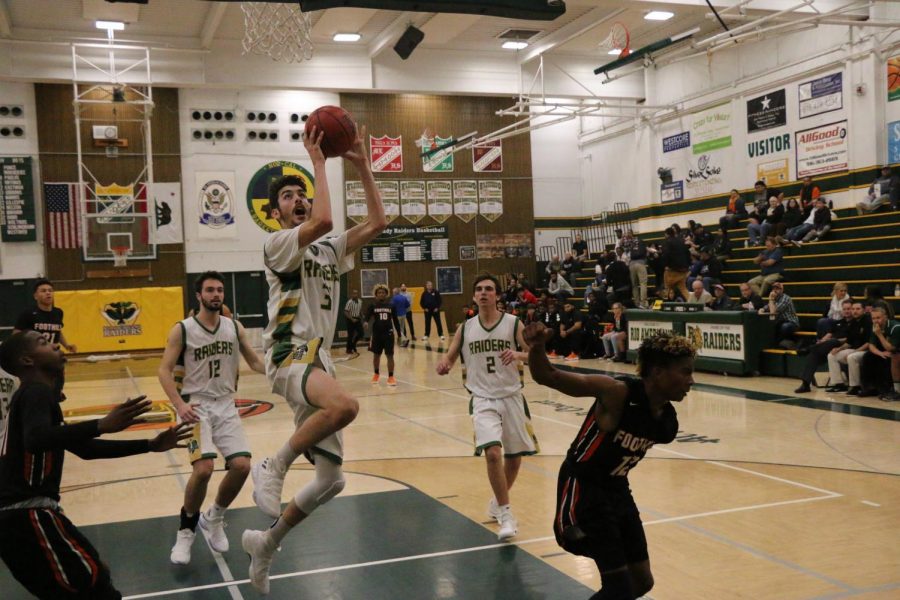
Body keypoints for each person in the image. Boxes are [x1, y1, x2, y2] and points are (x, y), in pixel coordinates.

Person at [242, 125, 387, 595]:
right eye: (288, 196)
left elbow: (378, 223)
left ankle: (267, 542)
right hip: (289, 351)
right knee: (345, 406)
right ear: (273, 212)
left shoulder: (328, 249)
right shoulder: (278, 244)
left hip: (317, 358)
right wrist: (320, 161)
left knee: (331, 480)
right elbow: (322, 222)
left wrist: (363, 164)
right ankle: (274, 464)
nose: (298, 200)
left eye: (302, 194)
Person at [0, 331, 189, 599]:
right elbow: (35, 439)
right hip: (27, 517)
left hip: (22, 521)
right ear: (27, 360)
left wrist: (149, 444)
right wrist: (101, 425)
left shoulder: (35, 398)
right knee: (94, 581)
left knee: (91, 579)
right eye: (43, 343)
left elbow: (86, 449)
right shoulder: (35, 392)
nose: (55, 344)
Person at [523, 323, 695, 600]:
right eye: (685, 371)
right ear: (658, 372)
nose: (691, 380)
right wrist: (537, 346)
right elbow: (547, 375)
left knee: (641, 581)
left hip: (617, 491)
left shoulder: (666, 419)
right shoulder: (616, 392)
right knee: (619, 587)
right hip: (583, 490)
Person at [159, 271, 266, 565]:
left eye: (219, 290)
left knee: (242, 465)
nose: (216, 294)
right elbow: (164, 371)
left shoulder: (234, 327)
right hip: (196, 405)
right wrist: (179, 404)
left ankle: (215, 516)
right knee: (204, 469)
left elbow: (255, 361)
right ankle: (186, 531)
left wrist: (280, 368)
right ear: (199, 295)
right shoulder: (182, 329)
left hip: (225, 404)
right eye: (210, 290)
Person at [435, 274, 538, 541]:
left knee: (514, 458)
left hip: (512, 395)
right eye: (479, 289)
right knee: (493, 453)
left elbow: (536, 356)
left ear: (497, 295)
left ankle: (496, 501)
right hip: (482, 398)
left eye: (489, 289)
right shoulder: (465, 327)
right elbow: (450, 355)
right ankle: (506, 513)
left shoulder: (513, 323)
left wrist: (518, 354)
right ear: (473, 296)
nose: (483, 293)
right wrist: (445, 364)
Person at [795, 300, 852, 393]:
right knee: (814, 355)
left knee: (832, 341)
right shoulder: (839, 322)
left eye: (849, 309)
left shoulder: (854, 323)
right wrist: (822, 341)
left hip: (844, 345)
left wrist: (834, 341)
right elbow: (830, 333)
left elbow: (850, 339)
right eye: (844, 309)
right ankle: (805, 384)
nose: (847, 311)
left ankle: (809, 349)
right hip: (829, 346)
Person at [14, 279, 76, 353]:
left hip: (53, 354)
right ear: (35, 296)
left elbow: (57, 331)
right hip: (35, 355)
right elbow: (16, 335)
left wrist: (66, 345)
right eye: (43, 291)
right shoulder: (28, 313)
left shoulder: (58, 312)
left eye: (50, 290)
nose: (48, 293)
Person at [825, 301, 872, 393]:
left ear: (864, 310)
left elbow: (869, 343)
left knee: (851, 357)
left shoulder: (868, 321)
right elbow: (849, 342)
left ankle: (855, 386)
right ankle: (838, 384)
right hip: (855, 349)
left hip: (866, 350)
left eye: (858, 309)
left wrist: (855, 351)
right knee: (832, 355)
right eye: (853, 309)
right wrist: (838, 349)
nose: (855, 311)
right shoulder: (853, 322)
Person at [851, 306, 899, 397]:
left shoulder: (895, 327)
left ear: (885, 317)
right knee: (868, 356)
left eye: (878, 318)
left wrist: (879, 334)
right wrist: (880, 353)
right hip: (884, 351)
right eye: (873, 318)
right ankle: (869, 388)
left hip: (895, 352)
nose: (876, 321)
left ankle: (886, 389)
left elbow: (890, 348)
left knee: (886, 359)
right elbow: (871, 345)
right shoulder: (875, 326)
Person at [367, 284, 399, 386]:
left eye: (383, 292)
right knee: (376, 355)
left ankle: (391, 377)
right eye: (379, 293)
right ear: (376, 294)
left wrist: (399, 334)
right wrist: (365, 322)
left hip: (388, 334)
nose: (381, 294)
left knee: (390, 355)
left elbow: (396, 320)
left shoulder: (391, 306)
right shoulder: (372, 305)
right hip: (377, 334)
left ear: (386, 294)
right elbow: (367, 317)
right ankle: (376, 374)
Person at [759, 282, 799, 347]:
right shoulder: (776, 299)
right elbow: (766, 307)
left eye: (777, 289)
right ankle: (778, 343)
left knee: (784, 327)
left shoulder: (786, 298)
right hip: (781, 322)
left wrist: (771, 299)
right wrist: (762, 309)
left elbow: (773, 312)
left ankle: (781, 343)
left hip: (791, 323)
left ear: (782, 290)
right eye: (773, 289)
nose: (775, 290)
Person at [661, 227, 690, 301]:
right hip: (683, 269)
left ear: (666, 234)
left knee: (667, 288)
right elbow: (687, 253)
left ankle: (666, 305)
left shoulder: (667, 242)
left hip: (673, 270)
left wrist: (665, 265)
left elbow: (666, 254)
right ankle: (692, 304)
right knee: (683, 289)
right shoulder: (681, 241)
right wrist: (687, 267)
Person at [343, 289, 364, 355]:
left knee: (361, 333)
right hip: (350, 319)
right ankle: (348, 349)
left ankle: (353, 344)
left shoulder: (360, 301)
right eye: (353, 293)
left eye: (356, 293)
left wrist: (362, 315)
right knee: (350, 335)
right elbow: (346, 312)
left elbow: (359, 309)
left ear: (358, 294)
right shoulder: (349, 302)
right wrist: (352, 319)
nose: (355, 295)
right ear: (351, 295)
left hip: (357, 318)